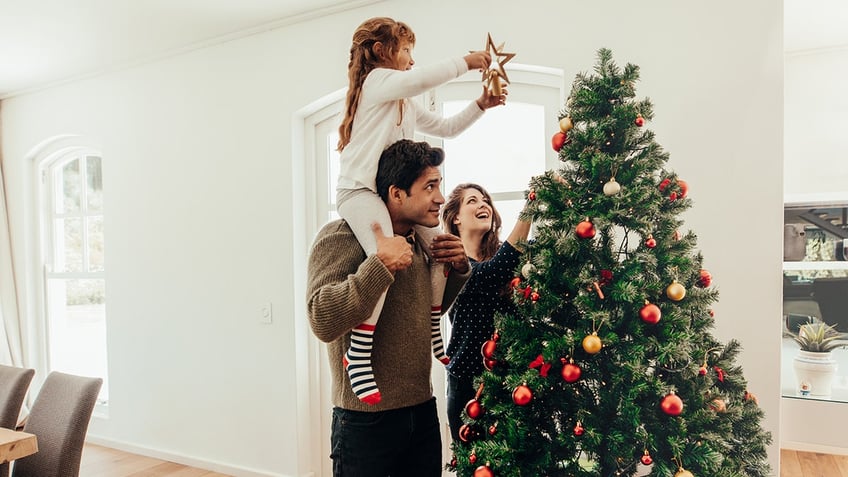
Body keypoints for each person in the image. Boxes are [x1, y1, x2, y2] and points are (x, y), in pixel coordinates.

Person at [336, 16, 507, 405]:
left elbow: (446, 127)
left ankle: (434, 329)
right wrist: (468, 61)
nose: (412, 60)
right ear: (382, 52)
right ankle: (358, 351)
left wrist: (481, 104)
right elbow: (418, 79)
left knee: (441, 248)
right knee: (388, 254)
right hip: (360, 192)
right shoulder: (376, 82)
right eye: (407, 50)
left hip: (386, 194)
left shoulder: (405, 104)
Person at [307, 139, 472, 476]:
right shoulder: (341, 236)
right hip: (365, 421)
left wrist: (457, 270)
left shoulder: (420, 242)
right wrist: (379, 265)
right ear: (397, 194)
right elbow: (322, 319)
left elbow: (421, 317)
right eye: (430, 187)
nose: (440, 198)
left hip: (423, 412)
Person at [440, 183, 532, 443]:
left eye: (485, 201)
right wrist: (530, 207)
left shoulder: (510, 257)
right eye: (472, 201)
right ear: (456, 217)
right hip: (468, 384)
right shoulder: (452, 262)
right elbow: (491, 273)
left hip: (514, 379)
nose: (483, 205)